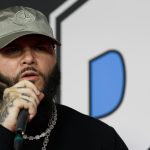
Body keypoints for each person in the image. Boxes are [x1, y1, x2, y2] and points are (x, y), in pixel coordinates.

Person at [0, 6, 128, 150]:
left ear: (54, 57)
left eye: (40, 48)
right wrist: (4, 131)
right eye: (13, 50)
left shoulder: (98, 137)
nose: (29, 58)